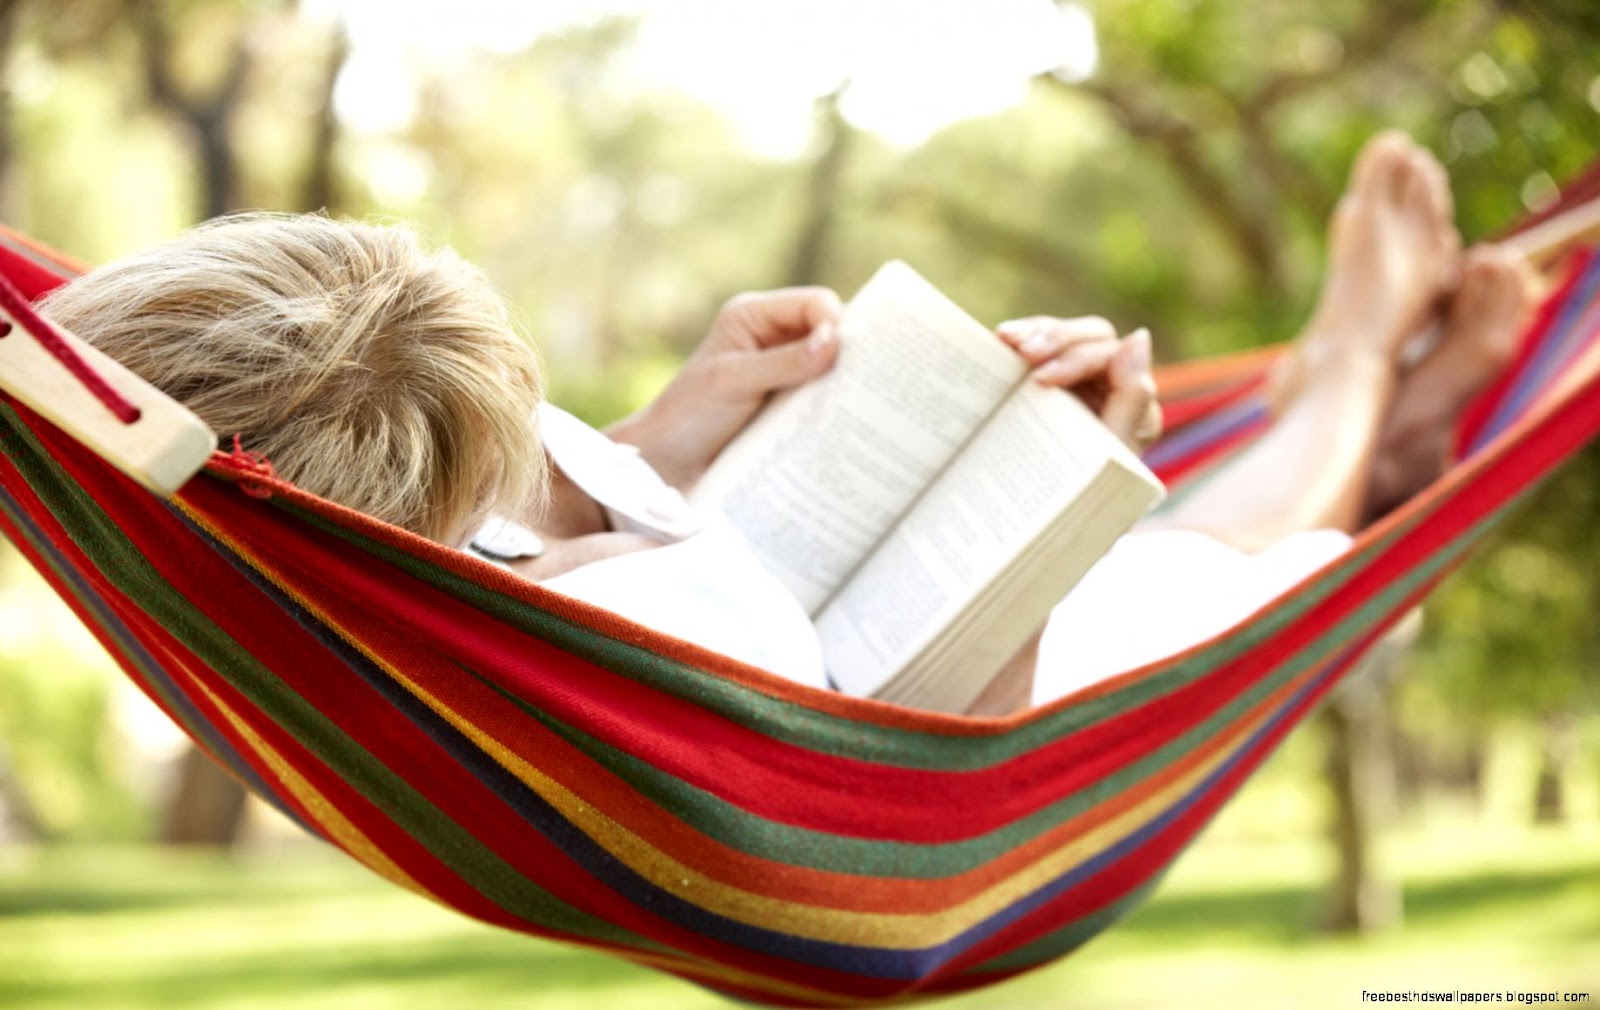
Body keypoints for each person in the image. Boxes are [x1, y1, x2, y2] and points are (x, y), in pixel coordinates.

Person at [37, 131, 1536, 714]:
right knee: (1236, 556)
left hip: (864, 612)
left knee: (1265, 527)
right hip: (1056, 693)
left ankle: (1392, 438)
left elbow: (487, 526)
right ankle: (1353, 371)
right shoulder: (541, 655)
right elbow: (959, 781)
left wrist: (671, 431)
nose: (552, 477)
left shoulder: (407, 560)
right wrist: (1052, 519)